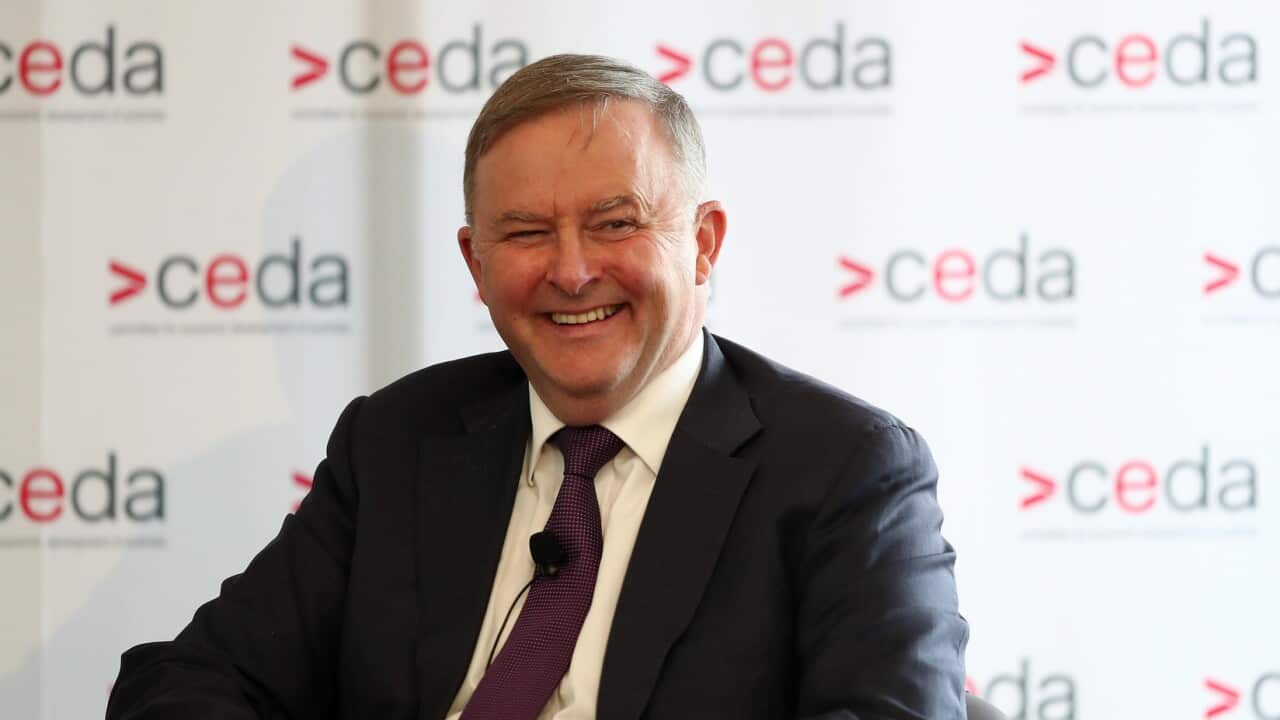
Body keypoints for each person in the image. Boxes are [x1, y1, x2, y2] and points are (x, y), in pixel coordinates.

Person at [107, 54, 967, 720]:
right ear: (474, 265)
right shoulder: (401, 439)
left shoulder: (845, 468)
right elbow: (188, 681)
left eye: (616, 222)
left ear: (703, 243)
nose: (572, 270)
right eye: (524, 233)